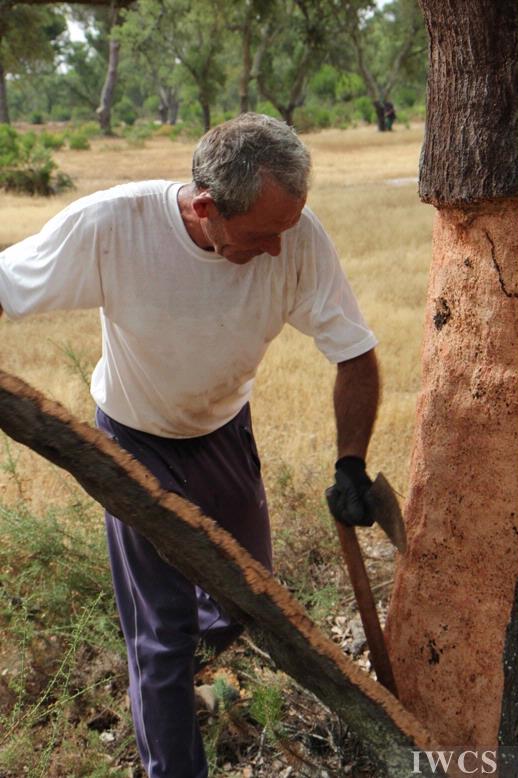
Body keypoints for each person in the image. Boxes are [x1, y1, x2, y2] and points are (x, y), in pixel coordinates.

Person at [0, 113, 379, 778]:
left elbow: (355, 353)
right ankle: (168, 729)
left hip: (224, 433)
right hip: (133, 443)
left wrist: (351, 462)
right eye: (260, 235)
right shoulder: (114, 226)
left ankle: (172, 680)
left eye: (285, 230)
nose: (276, 250)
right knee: (163, 636)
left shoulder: (295, 236)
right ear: (206, 208)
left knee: (249, 602)